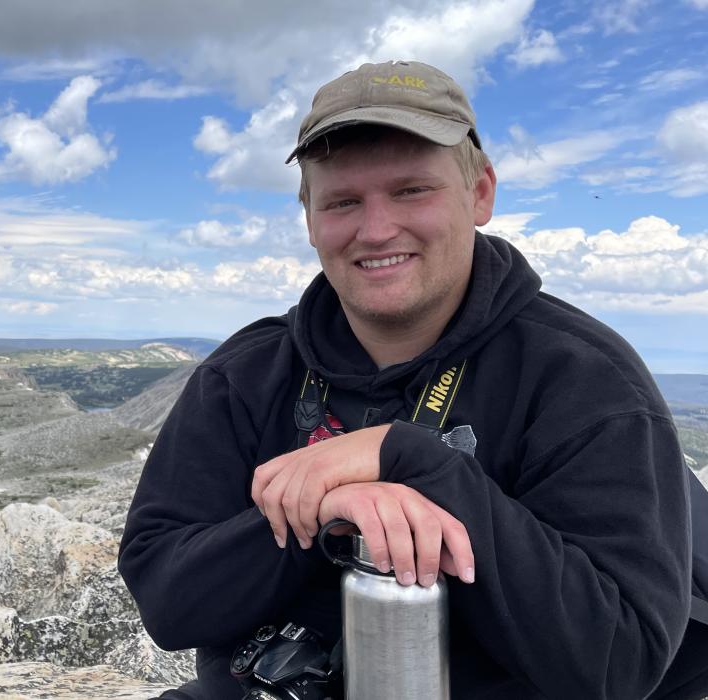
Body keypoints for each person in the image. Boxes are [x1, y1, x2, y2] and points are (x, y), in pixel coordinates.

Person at [118, 60, 708, 699]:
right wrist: (321, 512)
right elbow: (167, 603)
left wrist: (412, 461)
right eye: (343, 202)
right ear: (311, 219)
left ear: (480, 193)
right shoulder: (247, 375)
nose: (376, 230)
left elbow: (619, 663)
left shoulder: (583, 379)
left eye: (410, 191)